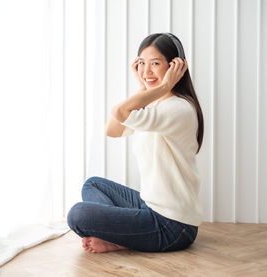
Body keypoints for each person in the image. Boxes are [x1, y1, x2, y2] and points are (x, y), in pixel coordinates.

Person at [67, 33, 204, 253]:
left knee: (78, 215)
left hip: (173, 225)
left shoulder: (178, 109)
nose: (147, 71)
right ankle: (125, 233)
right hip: (149, 205)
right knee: (93, 184)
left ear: (175, 66)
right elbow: (112, 130)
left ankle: (120, 238)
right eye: (141, 63)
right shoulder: (155, 106)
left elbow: (119, 111)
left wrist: (162, 86)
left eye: (155, 64)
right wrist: (144, 88)